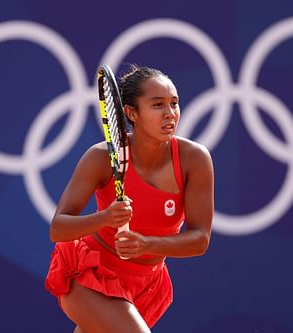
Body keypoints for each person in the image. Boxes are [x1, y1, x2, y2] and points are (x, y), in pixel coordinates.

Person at [45, 65, 214, 333]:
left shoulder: (195, 160)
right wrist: (105, 218)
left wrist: (147, 244)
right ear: (131, 112)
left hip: (146, 285)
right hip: (91, 277)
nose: (170, 114)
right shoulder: (99, 158)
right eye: (158, 105)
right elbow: (58, 228)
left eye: (174, 103)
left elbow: (200, 240)